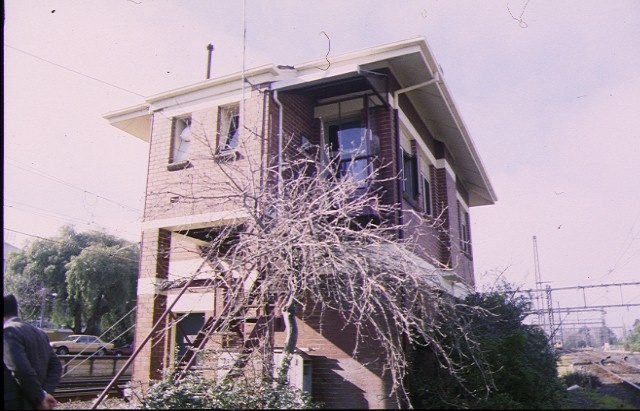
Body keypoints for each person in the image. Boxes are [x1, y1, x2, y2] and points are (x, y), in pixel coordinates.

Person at [4, 294, 62, 410]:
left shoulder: (8, 332)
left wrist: (40, 398)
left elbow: (20, 369)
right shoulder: (39, 333)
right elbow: (56, 366)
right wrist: (45, 393)